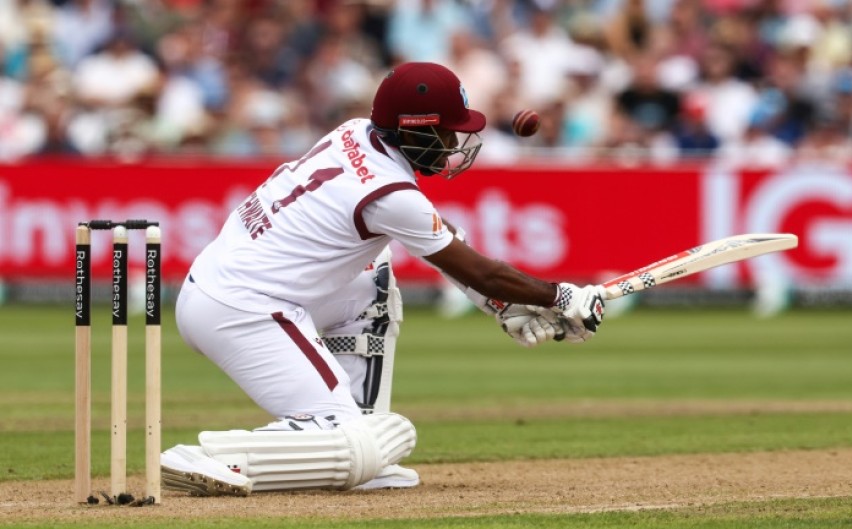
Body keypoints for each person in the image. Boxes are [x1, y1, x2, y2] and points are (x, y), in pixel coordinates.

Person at [160, 62, 606, 496]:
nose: (453, 141)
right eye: (444, 131)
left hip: (231, 285)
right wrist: (561, 295)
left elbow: (444, 241)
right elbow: (479, 269)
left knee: (374, 277)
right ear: (411, 129)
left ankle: (362, 449)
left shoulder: (357, 132)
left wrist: (501, 305)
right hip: (242, 308)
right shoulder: (390, 194)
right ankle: (216, 456)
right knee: (343, 434)